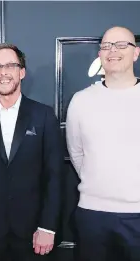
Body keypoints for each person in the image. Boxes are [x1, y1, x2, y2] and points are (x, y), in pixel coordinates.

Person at [0, 43, 64, 261]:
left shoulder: (43, 116)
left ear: (22, 72)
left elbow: (54, 176)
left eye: (10, 65)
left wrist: (48, 226)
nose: (3, 72)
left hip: (34, 233)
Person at [66, 26, 140, 261]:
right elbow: (76, 154)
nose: (112, 51)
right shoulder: (81, 101)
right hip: (92, 214)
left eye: (121, 45)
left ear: (136, 53)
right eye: (106, 46)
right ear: (99, 54)